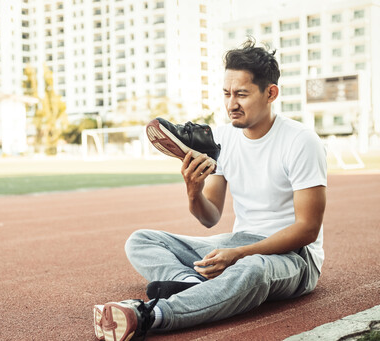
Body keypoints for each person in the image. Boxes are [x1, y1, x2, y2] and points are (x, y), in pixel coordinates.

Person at [93, 38, 327, 341]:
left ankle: (152, 315)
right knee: (141, 241)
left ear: (271, 93)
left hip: (294, 257)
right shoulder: (224, 138)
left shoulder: (301, 141)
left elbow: (307, 229)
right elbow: (209, 216)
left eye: (241, 94)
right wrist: (193, 189)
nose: (231, 104)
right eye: (227, 93)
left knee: (253, 270)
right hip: (239, 242)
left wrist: (238, 254)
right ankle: (191, 283)